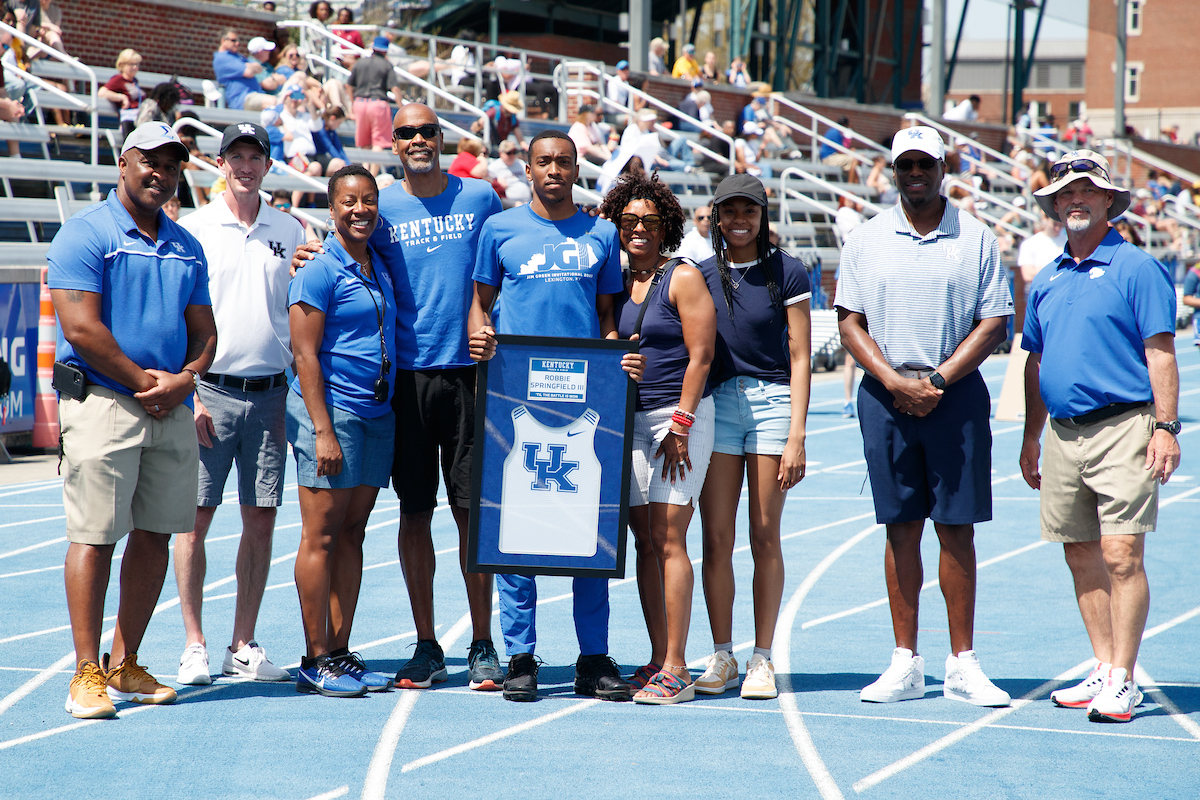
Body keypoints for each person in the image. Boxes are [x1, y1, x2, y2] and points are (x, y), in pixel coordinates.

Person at [293, 104, 507, 692]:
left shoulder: (482, 197)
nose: (417, 140)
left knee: (471, 516)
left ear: (443, 139)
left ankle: (483, 643)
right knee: (414, 514)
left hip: (469, 376)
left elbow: (511, 254)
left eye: (427, 131)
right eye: (406, 133)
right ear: (394, 143)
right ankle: (426, 644)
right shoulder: (379, 206)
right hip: (406, 382)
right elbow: (345, 247)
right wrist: (309, 252)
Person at [836, 125, 1013, 707]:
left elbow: (993, 323)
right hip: (885, 396)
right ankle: (905, 661)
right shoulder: (864, 239)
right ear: (893, 170)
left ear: (944, 169)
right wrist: (892, 381)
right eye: (906, 164)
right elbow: (849, 321)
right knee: (901, 526)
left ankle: (963, 663)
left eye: (926, 164)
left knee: (956, 528)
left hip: (954, 394)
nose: (916, 173)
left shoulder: (978, 236)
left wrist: (937, 380)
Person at [468, 130, 643, 703]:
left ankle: (593, 657)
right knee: (517, 525)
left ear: (575, 168)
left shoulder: (598, 234)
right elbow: (481, 306)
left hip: (587, 399)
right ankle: (521, 657)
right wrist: (480, 337)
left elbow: (608, 317)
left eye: (563, 162)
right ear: (527, 167)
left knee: (588, 525)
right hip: (516, 394)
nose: (553, 170)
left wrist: (620, 358)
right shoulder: (499, 229)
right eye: (543, 161)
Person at [49, 122, 217, 719]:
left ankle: (125, 663)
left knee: (155, 534)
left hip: (167, 403)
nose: (161, 173)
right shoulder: (85, 234)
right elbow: (81, 329)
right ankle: (85, 673)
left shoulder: (186, 244)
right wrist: (148, 381)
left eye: (171, 165)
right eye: (150, 161)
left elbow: (205, 332)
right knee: (94, 536)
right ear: (124, 162)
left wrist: (187, 378)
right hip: (104, 402)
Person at [1020, 150, 1180, 723]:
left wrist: (1165, 427)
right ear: (1054, 206)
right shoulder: (1046, 278)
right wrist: (1030, 437)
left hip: (1124, 427)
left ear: (1109, 200)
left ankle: (1125, 678)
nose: (1075, 200)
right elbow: (1035, 365)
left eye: (1086, 191)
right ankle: (1104, 665)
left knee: (1121, 554)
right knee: (1079, 554)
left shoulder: (1137, 268)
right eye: (1064, 193)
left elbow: (1160, 352)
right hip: (1063, 435)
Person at [171, 123, 306, 687]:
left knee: (261, 519)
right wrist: (187, 395)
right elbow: (177, 312)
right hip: (210, 392)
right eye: (236, 156)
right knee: (193, 520)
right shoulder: (195, 228)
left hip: (272, 395)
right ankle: (194, 643)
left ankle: (241, 644)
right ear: (220, 163)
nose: (246, 166)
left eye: (256, 156)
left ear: (268, 164)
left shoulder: (291, 228)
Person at [695, 174, 812, 700]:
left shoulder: (787, 270)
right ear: (716, 216)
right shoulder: (699, 274)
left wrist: (797, 435)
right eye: (729, 211)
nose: (739, 220)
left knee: (765, 536)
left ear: (764, 214)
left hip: (771, 406)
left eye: (750, 210)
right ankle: (723, 655)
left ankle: (762, 657)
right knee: (715, 539)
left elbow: (801, 356)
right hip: (716, 408)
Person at [602, 173, 717, 704]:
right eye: (629, 221)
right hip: (631, 420)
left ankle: (678, 666)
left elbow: (702, 356)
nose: (639, 229)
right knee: (645, 541)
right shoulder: (620, 282)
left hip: (677, 417)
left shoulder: (683, 276)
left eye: (649, 220)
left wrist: (681, 424)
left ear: (666, 224)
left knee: (671, 539)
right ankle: (656, 656)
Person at [288, 165, 398, 698]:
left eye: (369, 200)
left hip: (376, 415)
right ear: (331, 209)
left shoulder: (378, 262)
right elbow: (304, 354)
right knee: (322, 535)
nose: (360, 209)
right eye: (349, 201)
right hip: (333, 415)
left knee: (353, 533)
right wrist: (322, 430)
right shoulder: (318, 269)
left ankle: (339, 649)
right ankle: (314, 656)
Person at [346, 36, 403, 175]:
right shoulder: (386, 65)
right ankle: (372, 176)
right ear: (385, 51)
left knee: (365, 143)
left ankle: (364, 174)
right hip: (378, 104)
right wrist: (401, 108)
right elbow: (394, 88)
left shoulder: (360, 63)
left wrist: (353, 104)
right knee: (378, 143)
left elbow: (348, 85)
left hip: (360, 103)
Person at [212, 28, 276, 112]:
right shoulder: (222, 58)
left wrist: (249, 66)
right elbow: (249, 72)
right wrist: (249, 67)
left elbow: (259, 68)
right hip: (242, 100)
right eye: (233, 40)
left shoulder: (239, 57)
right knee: (272, 101)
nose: (237, 43)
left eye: (238, 40)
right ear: (223, 41)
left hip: (255, 95)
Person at [98, 48, 144, 139]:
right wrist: (122, 97)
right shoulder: (118, 79)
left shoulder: (134, 81)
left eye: (137, 64)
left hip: (139, 119)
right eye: (132, 64)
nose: (135, 67)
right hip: (129, 120)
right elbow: (102, 92)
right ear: (122, 65)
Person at [1018, 213, 1067, 286]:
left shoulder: (1068, 242)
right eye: (1054, 224)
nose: (1057, 228)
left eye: (1060, 225)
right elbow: (1027, 275)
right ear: (1046, 219)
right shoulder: (1029, 243)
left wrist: (1041, 270)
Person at [487, 139, 531, 206]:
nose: (512, 155)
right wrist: (496, 180)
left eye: (514, 152)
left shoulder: (521, 163)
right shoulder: (493, 167)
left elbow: (532, 184)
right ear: (501, 153)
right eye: (509, 153)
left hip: (528, 202)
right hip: (509, 204)